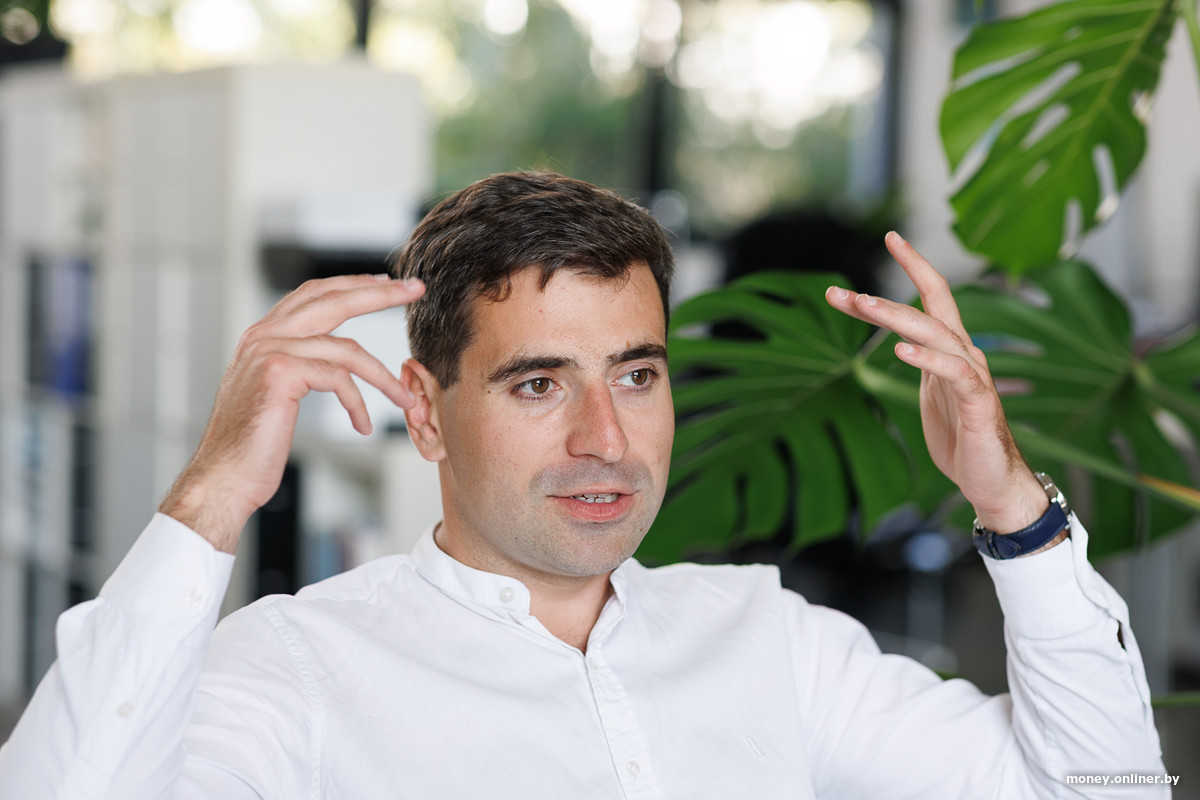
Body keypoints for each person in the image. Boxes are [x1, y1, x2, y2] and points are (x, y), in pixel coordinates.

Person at [0, 172, 1167, 798]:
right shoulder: (297, 667)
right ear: (424, 410)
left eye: (636, 374)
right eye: (537, 383)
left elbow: (1108, 788)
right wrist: (209, 497)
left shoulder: (770, 638)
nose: (606, 437)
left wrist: (1013, 507)